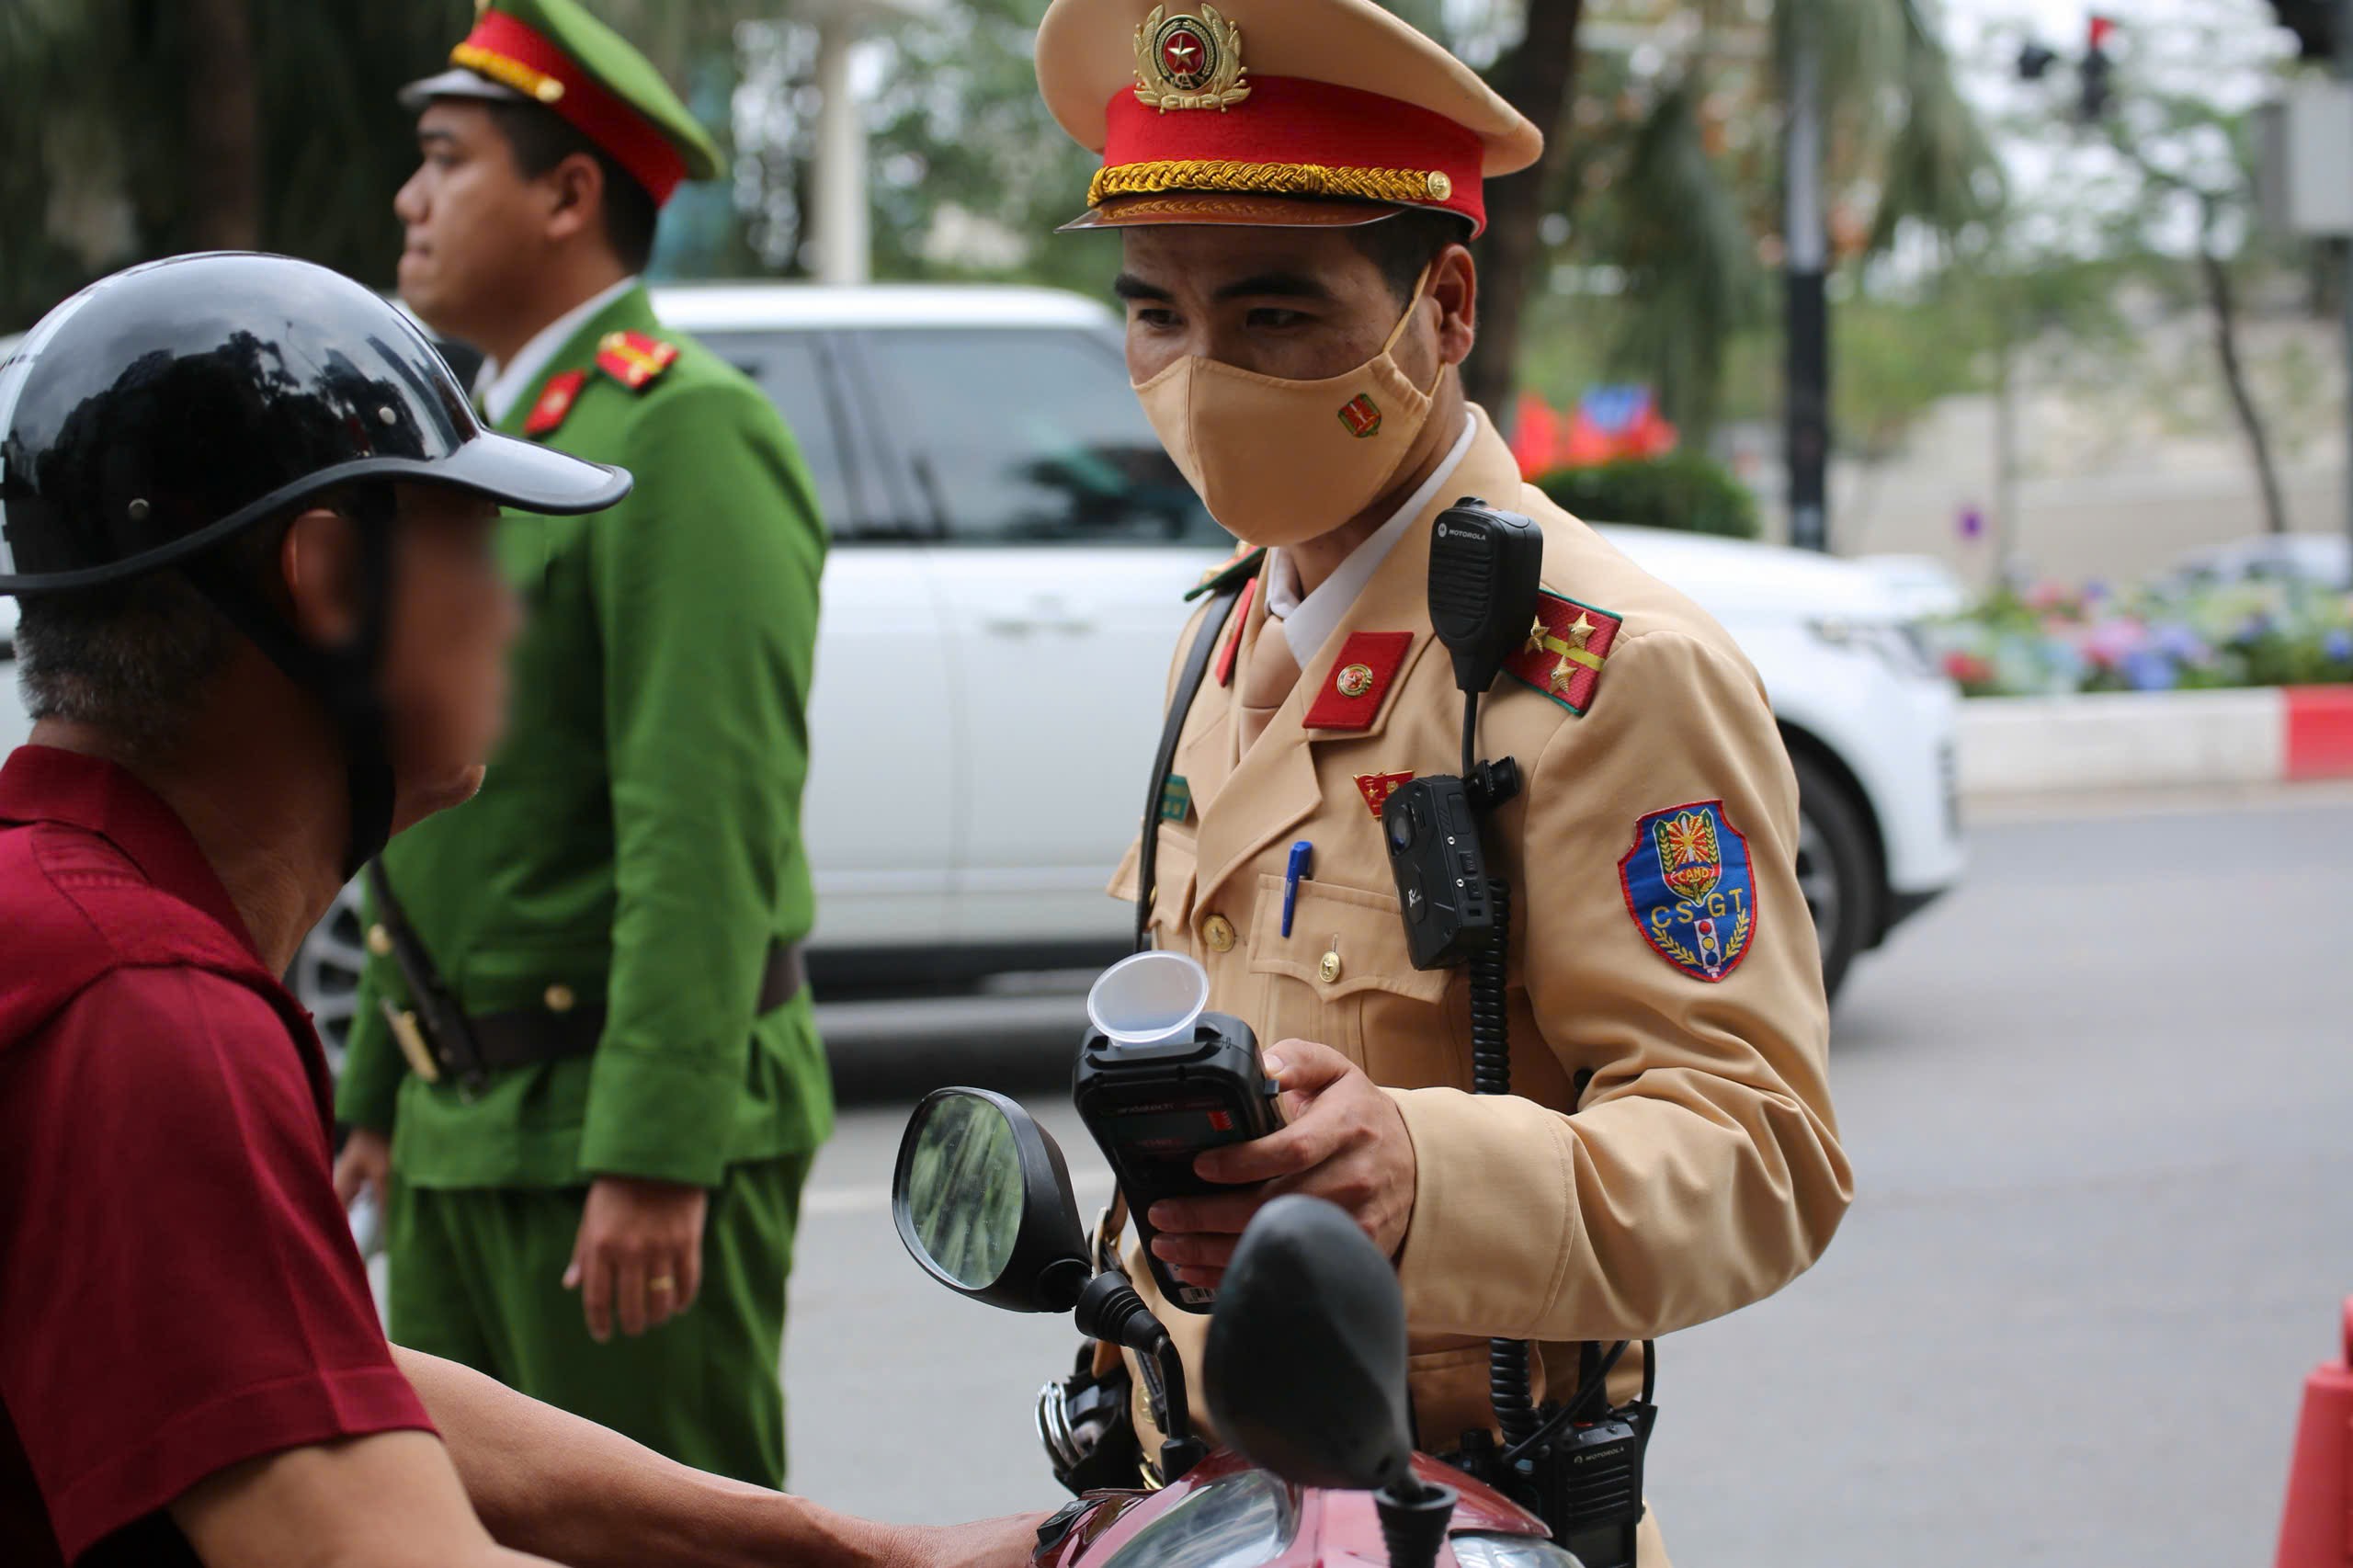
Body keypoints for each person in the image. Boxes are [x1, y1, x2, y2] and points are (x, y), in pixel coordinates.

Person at [0, 253, 1038, 1568]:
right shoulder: (146, 1011)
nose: (509, 608)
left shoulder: (63, 907)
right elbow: (364, 1540)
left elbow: (330, 1386)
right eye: (475, 545)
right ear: (326, 579)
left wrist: (863, 1551)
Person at [1030, 1, 1855, 1559]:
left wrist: (1425, 1176)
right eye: (1155, 315)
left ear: (1448, 304)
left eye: (1277, 317)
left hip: (1464, 1523)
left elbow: (1762, 1157)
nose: (1205, 378)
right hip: (1193, 1515)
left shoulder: (1608, 670)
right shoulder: (1219, 639)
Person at [330, 0, 832, 1488]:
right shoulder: (479, 441)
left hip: (615, 1135)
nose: (409, 201)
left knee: (658, 1530)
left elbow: (704, 817)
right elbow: (419, 815)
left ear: (566, 195)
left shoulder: (682, 438)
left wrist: (660, 1148)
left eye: (445, 160)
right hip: (458, 1127)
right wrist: (375, 1091)